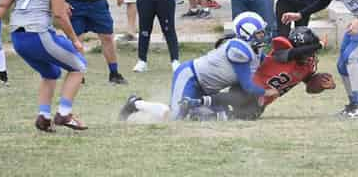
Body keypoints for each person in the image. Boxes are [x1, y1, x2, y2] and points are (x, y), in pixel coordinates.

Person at [0, 0, 87, 132]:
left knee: (50, 72)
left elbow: (2, 6)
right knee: (78, 66)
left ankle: (43, 117)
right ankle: (64, 113)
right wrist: (74, 39)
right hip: (39, 35)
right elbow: (59, 14)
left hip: (18, 38)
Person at [119, 12, 277, 121]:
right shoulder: (239, 50)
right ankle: (135, 103)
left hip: (207, 87)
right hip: (191, 77)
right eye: (259, 33)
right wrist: (267, 91)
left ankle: (180, 108)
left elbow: (269, 62)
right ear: (246, 33)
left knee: (210, 116)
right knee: (175, 116)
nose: (263, 36)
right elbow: (248, 85)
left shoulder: (254, 50)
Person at [179, 27, 333, 121]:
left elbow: (309, 85)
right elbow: (293, 53)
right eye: (308, 50)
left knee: (245, 116)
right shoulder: (283, 50)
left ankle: (206, 113)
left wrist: (320, 84)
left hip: (261, 101)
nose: (309, 55)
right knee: (238, 98)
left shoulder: (308, 63)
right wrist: (317, 46)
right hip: (249, 87)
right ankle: (195, 102)